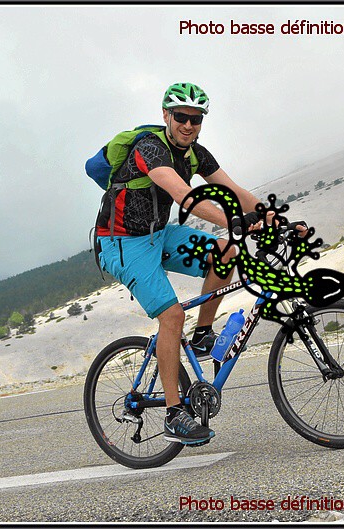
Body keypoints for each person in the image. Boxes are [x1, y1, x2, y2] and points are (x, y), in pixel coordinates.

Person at [94, 82, 263, 445]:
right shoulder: (149, 149)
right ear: (166, 115)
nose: (188, 125)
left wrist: (275, 219)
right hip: (122, 244)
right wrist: (232, 221)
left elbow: (235, 191)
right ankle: (174, 414)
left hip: (159, 235)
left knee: (226, 252)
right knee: (171, 317)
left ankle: (203, 335)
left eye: (196, 119)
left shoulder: (195, 154)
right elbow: (184, 195)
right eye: (181, 117)